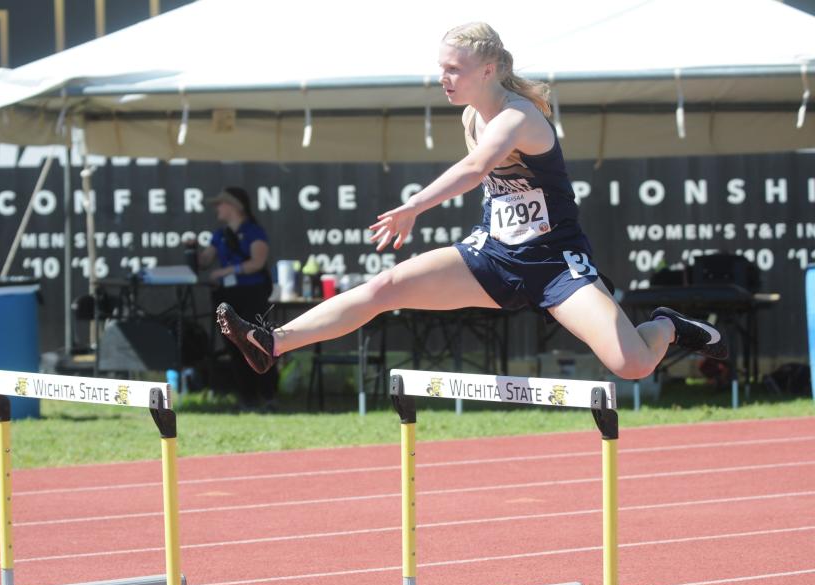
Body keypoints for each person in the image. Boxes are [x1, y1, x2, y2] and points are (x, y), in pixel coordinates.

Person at [217, 22, 727, 380]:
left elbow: (476, 169)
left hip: (554, 264)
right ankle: (273, 342)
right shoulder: (471, 116)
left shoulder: (519, 116)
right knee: (386, 285)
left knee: (632, 365)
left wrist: (414, 205)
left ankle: (665, 324)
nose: (443, 78)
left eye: (453, 69)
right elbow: (490, 184)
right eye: (441, 67)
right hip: (493, 255)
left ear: (488, 70)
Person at [195, 186, 278, 410]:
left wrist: (226, 272)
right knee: (234, 345)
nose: (216, 208)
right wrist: (192, 251)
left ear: (234, 206)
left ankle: (268, 395)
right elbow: (205, 260)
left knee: (258, 342)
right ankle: (247, 397)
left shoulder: (253, 232)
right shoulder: (219, 235)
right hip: (227, 295)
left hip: (251, 294)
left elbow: (257, 263)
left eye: (220, 203)